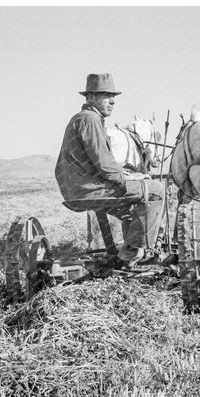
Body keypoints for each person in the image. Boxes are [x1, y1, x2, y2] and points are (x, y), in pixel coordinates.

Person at [55, 73, 165, 266]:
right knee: (156, 191)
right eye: (106, 95)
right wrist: (130, 178)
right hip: (90, 189)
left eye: (113, 96)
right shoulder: (89, 120)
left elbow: (98, 162)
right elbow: (105, 166)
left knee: (130, 210)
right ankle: (132, 252)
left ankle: (129, 254)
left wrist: (127, 173)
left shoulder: (84, 119)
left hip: (79, 187)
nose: (112, 101)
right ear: (90, 97)